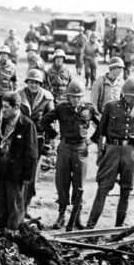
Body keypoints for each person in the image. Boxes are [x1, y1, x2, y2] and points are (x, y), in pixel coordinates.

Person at [85, 77, 134, 229]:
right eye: (130, 96)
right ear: (123, 94)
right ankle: (90, 226)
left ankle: (118, 227)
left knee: (126, 190)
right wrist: (91, 143)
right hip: (112, 150)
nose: (132, 99)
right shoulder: (111, 107)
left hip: (131, 153)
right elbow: (101, 129)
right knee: (103, 188)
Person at [40, 78, 99, 229]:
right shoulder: (61, 108)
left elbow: (102, 125)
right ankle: (61, 215)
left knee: (79, 184)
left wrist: (92, 140)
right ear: (68, 96)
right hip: (65, 148)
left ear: (83, 97)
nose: (76, 99)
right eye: (73, 96)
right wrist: (54, 135)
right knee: (62, 182)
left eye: (79, 96)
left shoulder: (89, 109)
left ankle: (77, 216)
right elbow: (44, 121)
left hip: (81, 149)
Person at [0, 92, 38, 231]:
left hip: (17, 175)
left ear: (16, 107)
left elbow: (32, 154)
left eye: (6, 107)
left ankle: (13, 238)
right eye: (2, 106)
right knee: (1, 206)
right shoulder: (1, 123)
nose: (3, 110)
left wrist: (27, 177)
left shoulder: (27, 125)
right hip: (1, 172)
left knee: (15, 208)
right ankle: (3, 235)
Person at [19, 69, 54, 216]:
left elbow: (51, 121)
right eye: (31, 82)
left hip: (38, 140)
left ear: (41, 84)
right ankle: (18, 206)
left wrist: (49, 143)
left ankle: (25, 205)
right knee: (19, 173)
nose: (33, 85)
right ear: (27, 82)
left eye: (36, 83)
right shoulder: (18, 95)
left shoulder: (47, 98)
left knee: (32, 175)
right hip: (20, 139)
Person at [0, 45, 17, 113]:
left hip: (7, 92)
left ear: (8, 55)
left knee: (7, 111)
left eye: (5, 54)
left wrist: (13, 91)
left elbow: (14, 80)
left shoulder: (13, 67)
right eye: (2, 54)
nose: (3, 56)